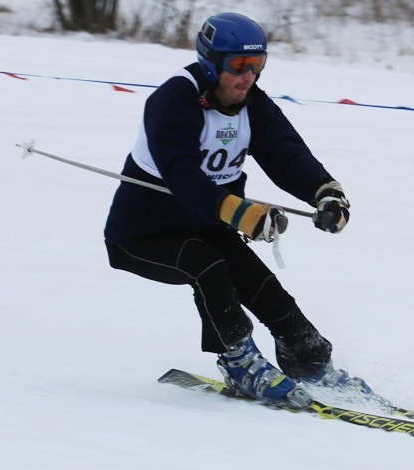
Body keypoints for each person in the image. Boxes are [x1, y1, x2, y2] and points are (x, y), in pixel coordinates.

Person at [104, 12, 371, 408]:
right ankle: (238, 361)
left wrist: (325, 194)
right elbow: (182, 174)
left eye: (258, 65)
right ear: (211, 64)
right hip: (143, 234)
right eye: (238, 66)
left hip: (208, 224)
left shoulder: (251, 105)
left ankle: (308, 358)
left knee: (261, 284)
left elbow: (285, 153)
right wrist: (238, 211)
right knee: (207, 266)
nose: (249, 76)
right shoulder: (173, 100)